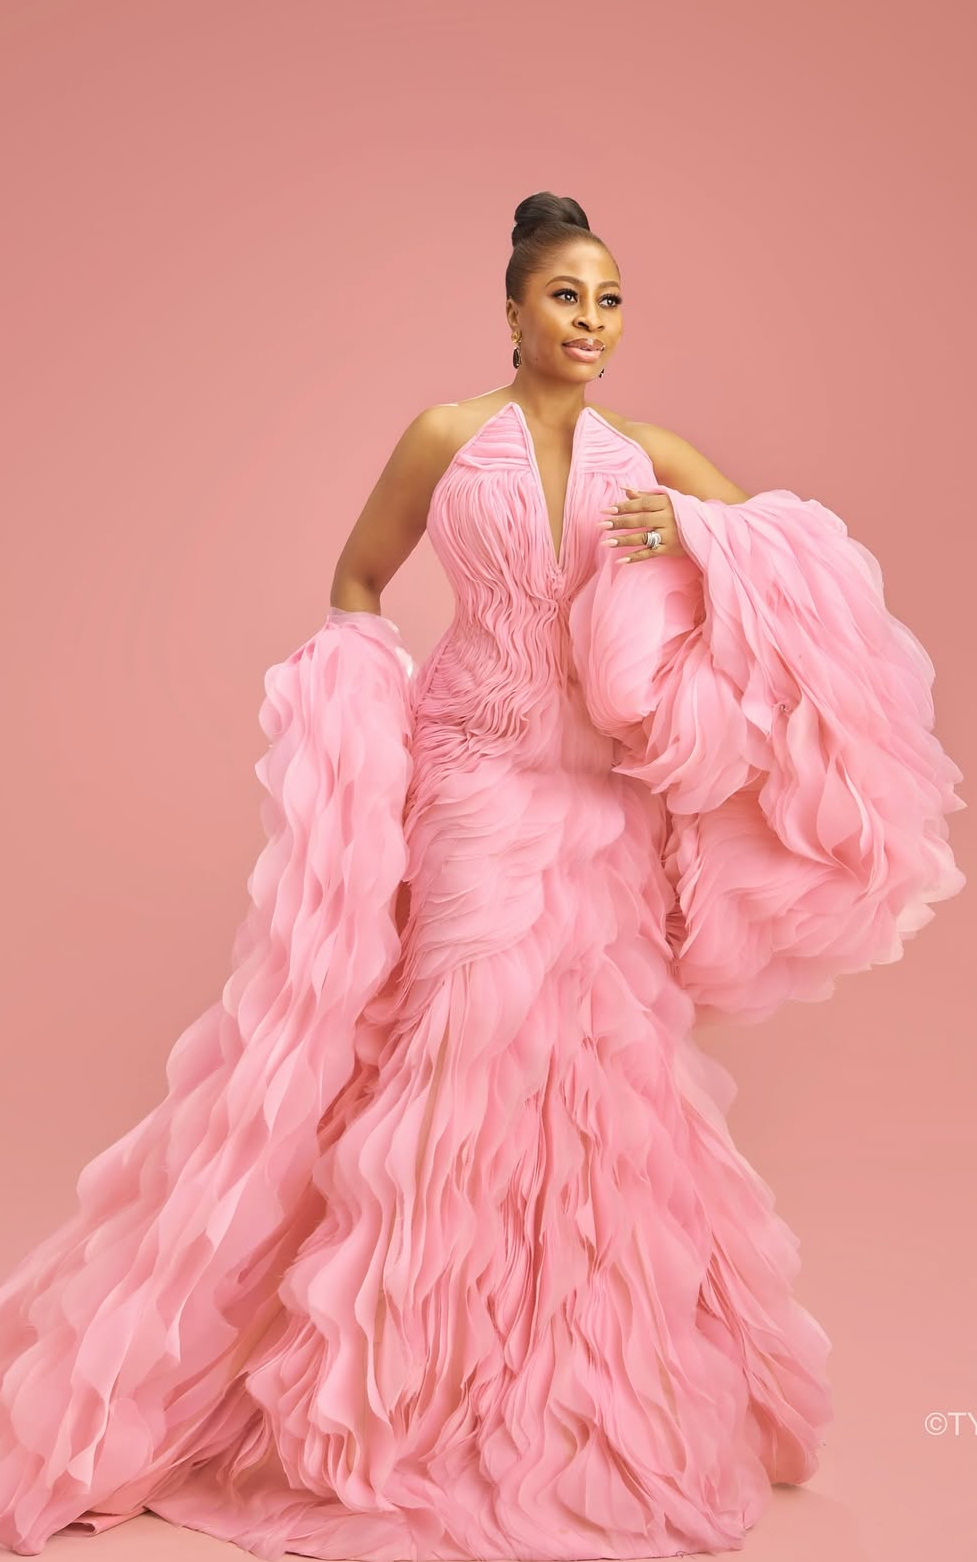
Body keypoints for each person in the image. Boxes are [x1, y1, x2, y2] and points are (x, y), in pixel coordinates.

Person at [0, 190, 965, 1562]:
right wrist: (352, 721)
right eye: (567, 295)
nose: (592, 321)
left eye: (611, 300)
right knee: (456, 1054)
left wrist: (698, 537)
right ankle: (403, 1402)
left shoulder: (649, 457)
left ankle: (564, 1383)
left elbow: (805, 573)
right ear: (512, 308)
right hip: (472, 773)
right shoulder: (445, 438)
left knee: (600, 1078)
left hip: (607, 799)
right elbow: (357, 577)